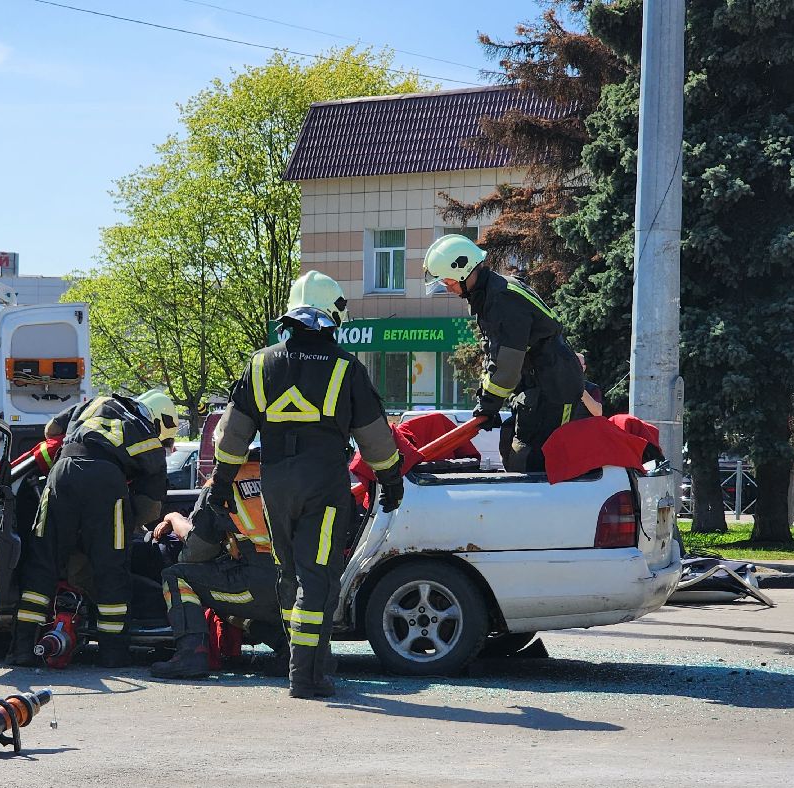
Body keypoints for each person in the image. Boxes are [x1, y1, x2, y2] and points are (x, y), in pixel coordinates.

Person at [209, 271, 403, 699]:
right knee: (318, 577)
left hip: (275, 481)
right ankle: (307, 674)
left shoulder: (261, 363)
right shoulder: (345, 367)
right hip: (323, 481)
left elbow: (231, 436)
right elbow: (375, 437)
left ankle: (297, 660)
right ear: (332, 313)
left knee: (289, 572)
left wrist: (221, 484)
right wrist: (390, 480)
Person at [8, 389, 175, 668]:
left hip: (62, 473)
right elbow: (149, 510)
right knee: (112, 570)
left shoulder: (95, 402)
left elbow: (51, 429)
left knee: (43, 563)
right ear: (159, 422)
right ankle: (113, 655)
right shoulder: (148, 438)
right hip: (107, 483)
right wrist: (122, 526)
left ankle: (22, 649)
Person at [423, 235, 585, 472]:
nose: (448, 288)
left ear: (464, 271)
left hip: (555, 389)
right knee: (510, 444)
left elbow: (506, 367)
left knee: (534, 461)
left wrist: (489, 404)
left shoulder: (502, 300)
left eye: (448, 281)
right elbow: (493, 356)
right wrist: (485, 400)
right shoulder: (488, 296)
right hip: (536, 388)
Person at [148, 451, 287, 680]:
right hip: (293, 586)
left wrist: (173, 518)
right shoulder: (283, 477)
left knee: (177, 576)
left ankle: (191, 654)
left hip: (256, 585)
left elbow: (196, 551)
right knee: (227, 602)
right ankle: (290, 649)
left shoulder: (222, 483)